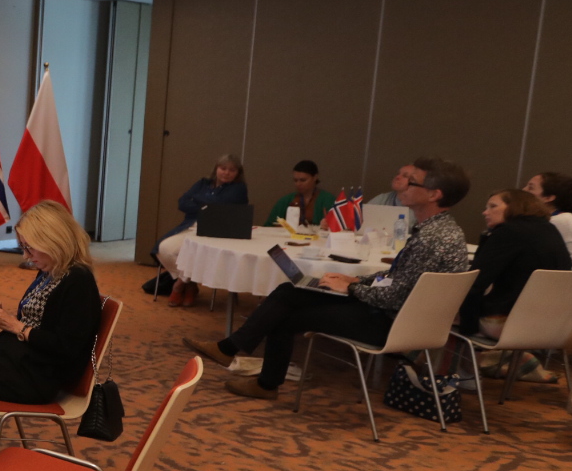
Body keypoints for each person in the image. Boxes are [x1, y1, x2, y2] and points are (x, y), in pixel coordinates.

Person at [184, 158, 473, 400]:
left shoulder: (430, 239)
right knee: (290, 291)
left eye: (412, 182)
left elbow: (395, 296)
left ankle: (264, 382)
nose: (404, 186)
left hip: (391, 323)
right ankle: (230, 349)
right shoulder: (442, 231)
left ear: (434, 195)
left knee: (287, 316)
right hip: (400, 315)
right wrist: (350, 279)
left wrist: (354, 286)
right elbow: (399, 278)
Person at [0, 201, 103, 404]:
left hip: (36, 377)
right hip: (16, 358)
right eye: (23, 248)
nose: (26, 256)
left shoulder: (78, 280)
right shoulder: (50, 271)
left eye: (30, 248)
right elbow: (37, 322)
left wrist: (17, 326)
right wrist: (3, 318)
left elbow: (67, 348)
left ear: (53, 242)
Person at [460, 189, 572, 338]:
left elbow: (475, 281)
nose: (485, 213)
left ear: (515, 206)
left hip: (508, 321)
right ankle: (513, 360)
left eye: (493, 206)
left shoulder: (508, 232)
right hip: (552, 322)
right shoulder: (549, 229)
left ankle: (482, 359)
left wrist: (468, 327)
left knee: (442, 315)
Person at [146, 154, 247, 307]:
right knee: (164, 249)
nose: (226, 173)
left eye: (232, 170)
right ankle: (190, 284)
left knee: (195, 253)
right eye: (223, 168)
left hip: (218, 232)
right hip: (191, 226)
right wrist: (206, 207)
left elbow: (219, 204)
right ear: (216, 169)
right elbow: (182, 202)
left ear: (238, 173)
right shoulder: (203, 183)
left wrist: (199, 202)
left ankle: (179, 285)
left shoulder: (238, 188)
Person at [524, 171, 572, 272]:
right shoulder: (550, 219)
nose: (523, 190)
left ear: (548, 198)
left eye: (530, 188)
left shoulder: (562, 220)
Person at [266, 160, 336, 229]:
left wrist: (328, 226)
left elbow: (339, 227)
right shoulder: (285, 201)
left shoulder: (328, 200)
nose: (298, 184)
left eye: (303, 180)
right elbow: (268, 226)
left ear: (315, 177)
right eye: (295, 180)